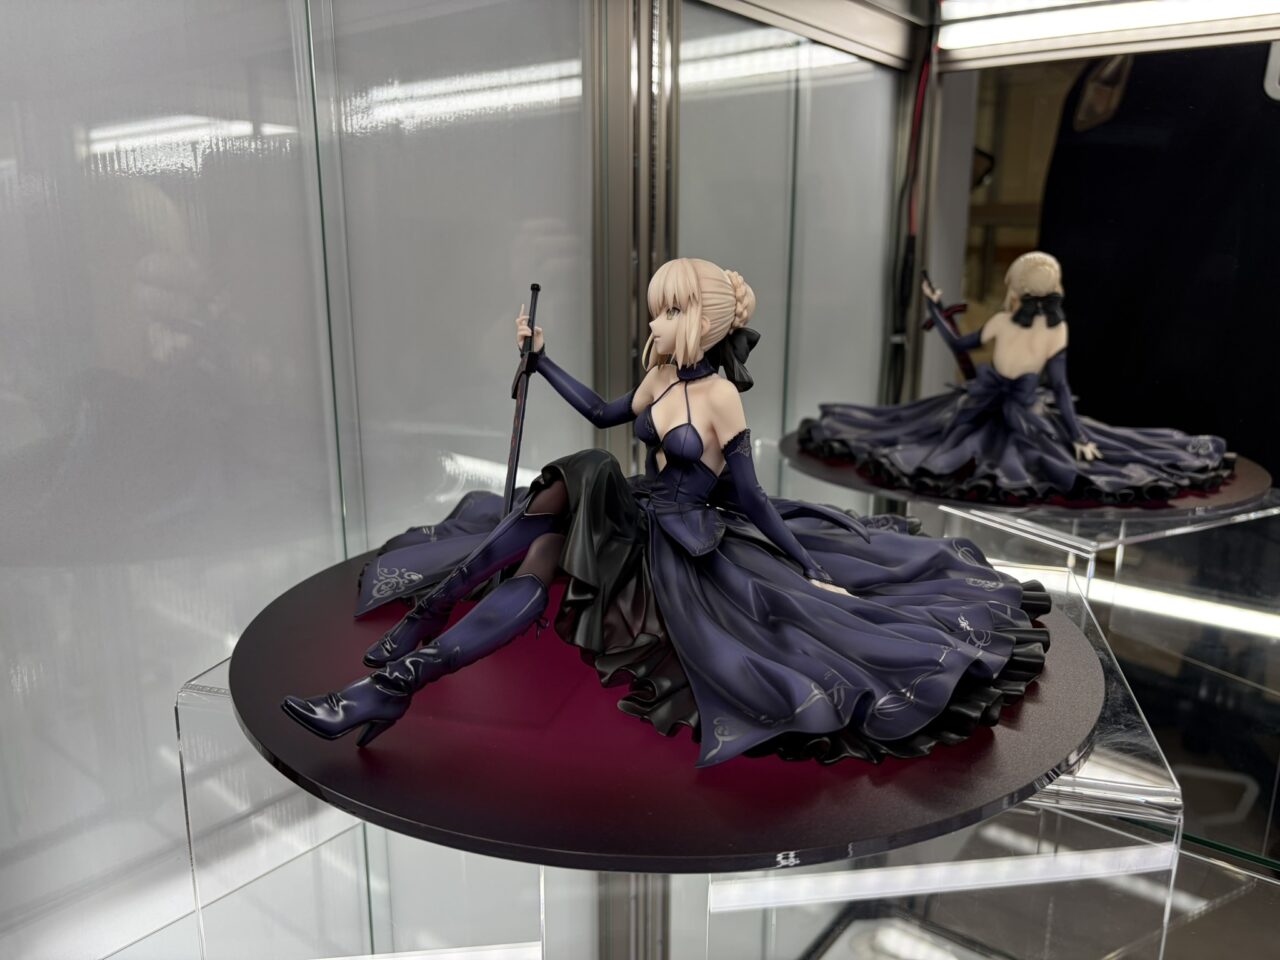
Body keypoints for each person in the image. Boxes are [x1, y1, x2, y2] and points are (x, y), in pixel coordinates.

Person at [283, 258, 1048, 766]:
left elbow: (750, 496)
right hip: (630, 510)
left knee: (570, 492)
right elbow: (600, 410)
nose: (653, 322)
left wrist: (807, 563)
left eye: (668, 309)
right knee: (543, 545)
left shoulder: (720, 400)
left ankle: (411, 643)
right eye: (656, 309)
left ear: (701, 320)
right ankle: (394, 681)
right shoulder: (659, 377)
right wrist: (542, 361)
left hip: (677, 540)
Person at [800, 252, 1233, 504]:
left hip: (1003, 412)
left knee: (915, 440)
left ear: (1015, 289)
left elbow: (957, 343)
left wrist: (935, 308)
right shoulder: (1054, 330)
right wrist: (1077, 435)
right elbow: (1060, 387)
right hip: (1005, 408)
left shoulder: (1005, 323)